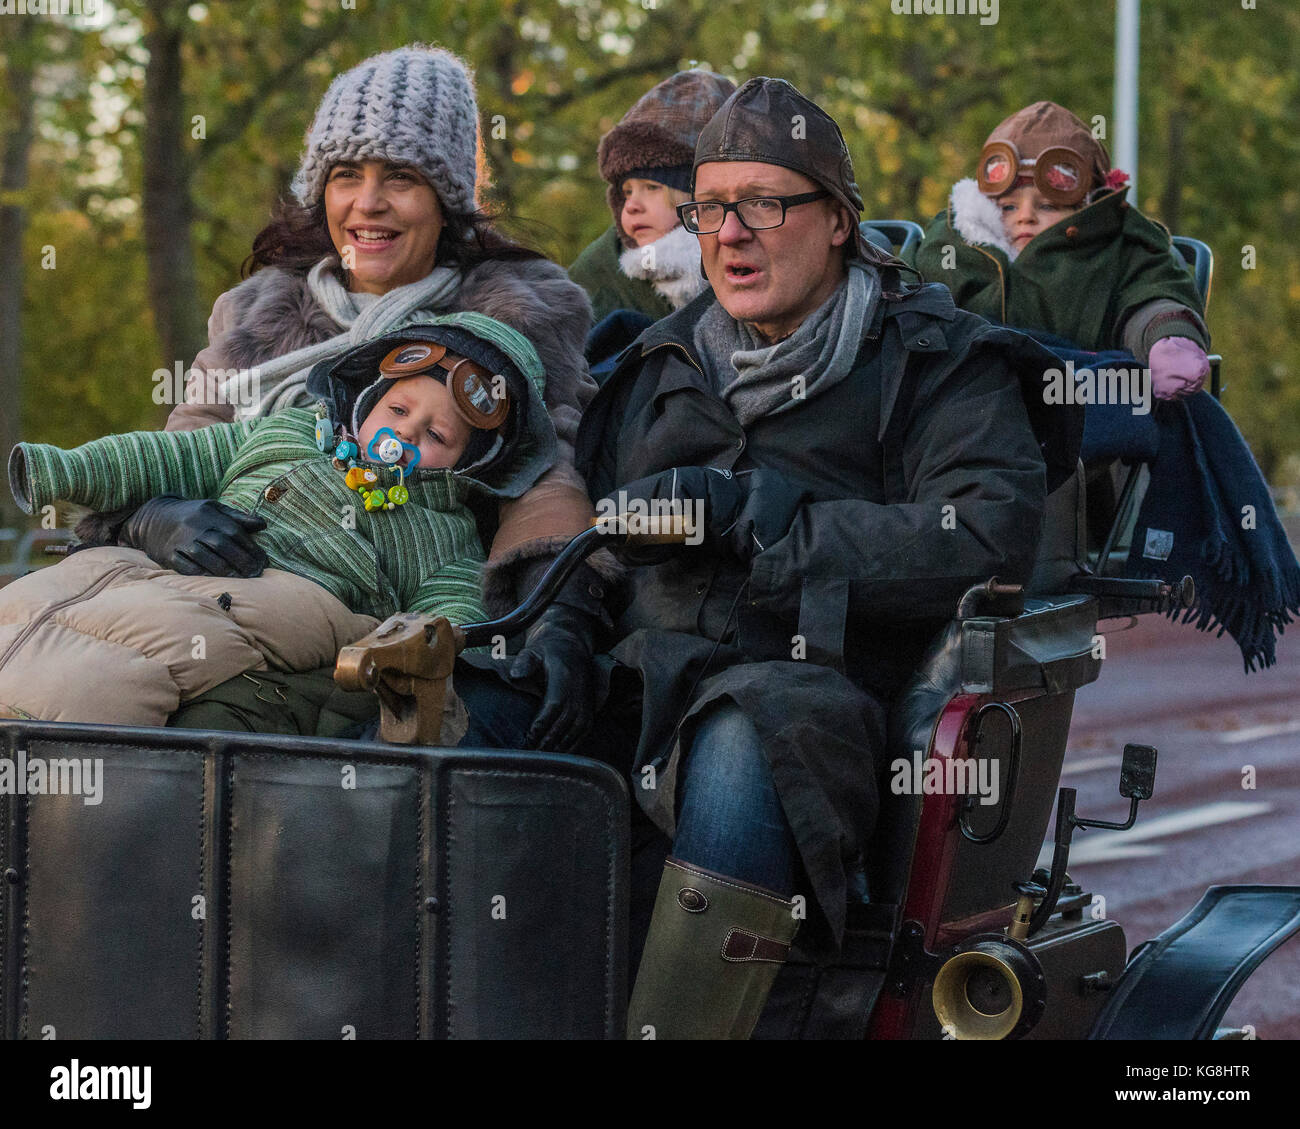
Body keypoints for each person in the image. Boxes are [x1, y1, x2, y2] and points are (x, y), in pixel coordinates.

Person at [455, 77, 1080, 1039]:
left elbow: (987, 533)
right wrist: (560, 632)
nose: (730, 233)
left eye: (763, 205)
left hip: (824, 701)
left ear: (836, 219)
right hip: (644, 684)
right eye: (709, 209)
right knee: (475, 708)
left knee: (749, 733)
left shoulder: (937, 359)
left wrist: (762, 516)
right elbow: (592, 539)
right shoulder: (652, 368)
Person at [68, 44, 608, 744]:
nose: (368, 203)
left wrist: (559, 611)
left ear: (447, 201)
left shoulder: (515, 316)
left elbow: (542, 482)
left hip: (382, 625)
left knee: (208, 733)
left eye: (402, 177)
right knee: (73, 688)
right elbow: (185, 441)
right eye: (346, 174)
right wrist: (152, 517)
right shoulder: (258, 312)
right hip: (215, 598)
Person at [0, 316, 554, 726]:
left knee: (111, 674)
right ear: (367, 401)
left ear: (472, 463)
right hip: (152, 562)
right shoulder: (285, 432)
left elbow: (453, 615)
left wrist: (437, 654)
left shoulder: (443, 528)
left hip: (281, 602)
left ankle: (64, 738)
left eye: (437, 436)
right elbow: (175, 457)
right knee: (32, 602)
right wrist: (67, 469)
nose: (407, 434)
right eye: (400, 411)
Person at [568, 69, 735, 323]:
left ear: (700, 200)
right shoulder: (600, 272)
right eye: (626, 192)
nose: (631, 206)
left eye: (652, 187)